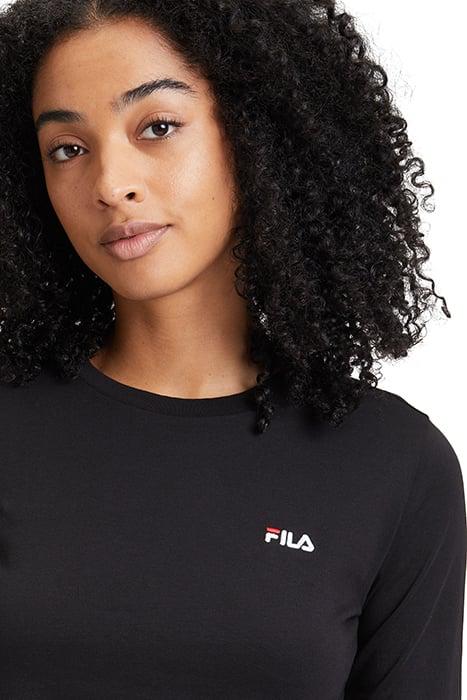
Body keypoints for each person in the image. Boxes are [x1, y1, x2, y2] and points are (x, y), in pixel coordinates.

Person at [0, 0, 465, 697]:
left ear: (257, 133)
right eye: (68, 148)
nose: (110, 185)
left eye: (157, 127)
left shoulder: (393, 465)